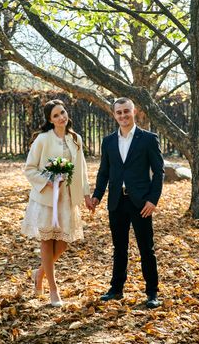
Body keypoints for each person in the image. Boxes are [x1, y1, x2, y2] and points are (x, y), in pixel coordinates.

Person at [92, 97, 164, 309]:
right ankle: (116, 289)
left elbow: (158, 172)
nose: (123, 115)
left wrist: (153, 200)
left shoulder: (148, 139)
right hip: (116, 202)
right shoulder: (108, 141)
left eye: (126, 111)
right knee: (119, 247)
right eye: (119, 112)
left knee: (146, 248)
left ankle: (152, 293)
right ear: (114, 115)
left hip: (141, 203)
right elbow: (104, 171)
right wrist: (97, 195)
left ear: (134, 112)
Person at [21, 99, 93, 307]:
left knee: (62, 243)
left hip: (67, 198)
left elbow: (82, 170)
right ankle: (53, 288)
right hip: (46, 198)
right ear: (50, 120)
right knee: (47, 241)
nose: (61, 117)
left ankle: (39, 272)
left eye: (62, 112)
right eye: (55, 115)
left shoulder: (75, 139)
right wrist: (48, 181)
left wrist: (86, 195)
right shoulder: (43, 139)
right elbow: (29, 168)